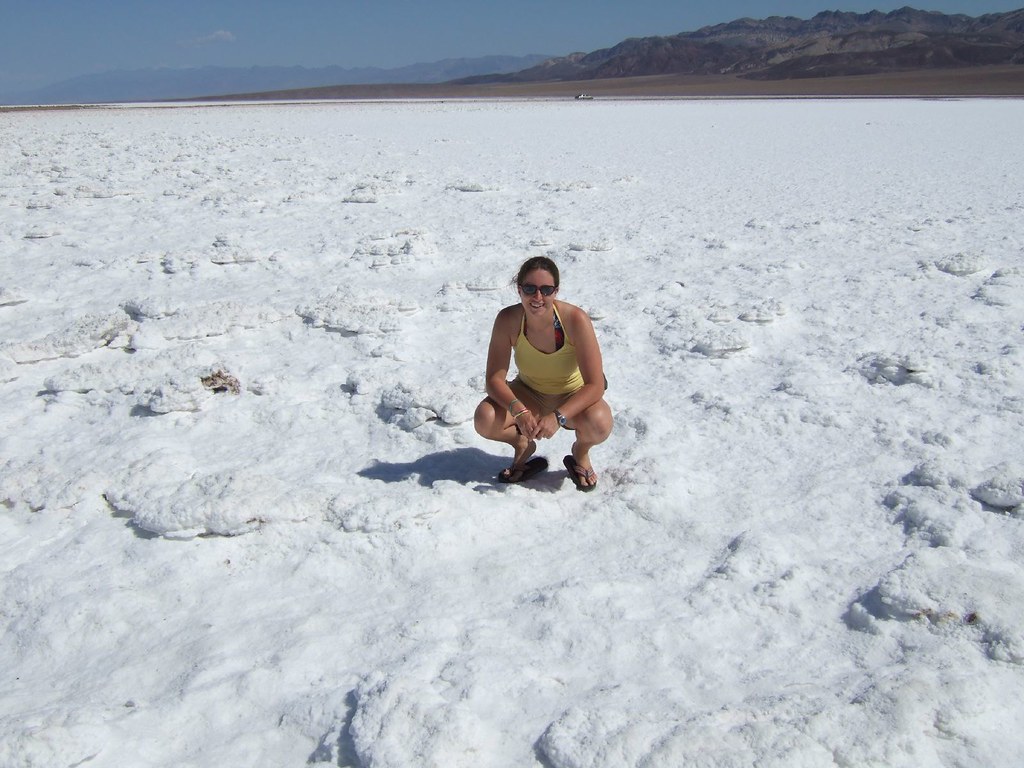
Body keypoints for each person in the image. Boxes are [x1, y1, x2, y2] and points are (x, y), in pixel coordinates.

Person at [474, 256, 613, 490]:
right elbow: (494, 379)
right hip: (529, 392)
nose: (537, 297)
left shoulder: (575, 320)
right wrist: (519, 411)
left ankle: (580, 452)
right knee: (484, 419)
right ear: (519, 290)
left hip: (572, 395)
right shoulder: (508, 320)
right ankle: (522, 444)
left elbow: (595, 384)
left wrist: (559, 416)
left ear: (555, 291)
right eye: (530, 289)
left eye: (546, 290)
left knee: (600, 424)